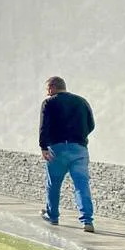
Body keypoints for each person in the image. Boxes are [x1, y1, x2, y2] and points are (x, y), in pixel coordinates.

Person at [39, 76, 96, 232]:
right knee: (81, 185)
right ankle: (87, 221)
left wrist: (43, 146)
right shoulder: (82, 101)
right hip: (79, 149)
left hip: (57, 148)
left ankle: (53, 216)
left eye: (47, 90)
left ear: (51, 88)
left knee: (53, 184)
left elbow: (44, 126)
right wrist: (79, 138)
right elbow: (91, 124)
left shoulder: (49, 103)